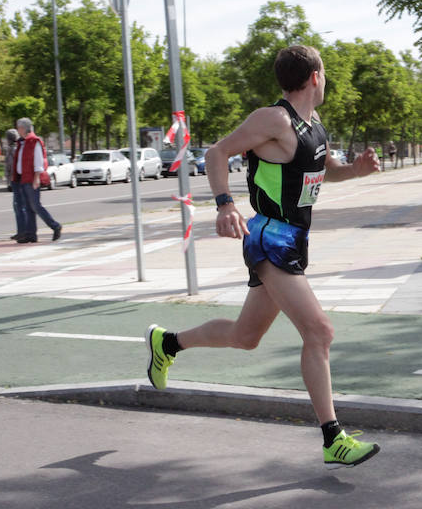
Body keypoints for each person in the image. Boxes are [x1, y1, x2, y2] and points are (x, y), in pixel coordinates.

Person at [144, 45, 382, 468]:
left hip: (294, 239)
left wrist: (358, 171)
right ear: (314, 77)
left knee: (244, 336)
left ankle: (167, 343)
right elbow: (217, 152)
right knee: (320, 331)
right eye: (325, 73)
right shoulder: (273, 119)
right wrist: (224, 204)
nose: (326, 80)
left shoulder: (314, 125)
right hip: (269, 236)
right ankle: (333, 438)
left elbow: (326, 169)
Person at [12, 118, 61, 243]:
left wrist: (36, 178)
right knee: (28, 208)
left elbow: (39, 161)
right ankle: (31, 234)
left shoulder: (34, 141)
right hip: (23, 179)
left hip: (31, 179)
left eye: (19, 127)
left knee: (35, 206)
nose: (18, 130)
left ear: (24, 128)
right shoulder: (22, 142)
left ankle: (55, 226)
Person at [4, 128, 25, 240]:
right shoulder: (17, 147)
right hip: (17, 179)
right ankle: (22, 230)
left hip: (16, 180)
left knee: (19, 206)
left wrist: (9, 181)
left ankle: (22, 231)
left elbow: (10, 166)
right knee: (20, 206)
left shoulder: (13, 149)